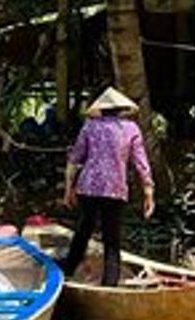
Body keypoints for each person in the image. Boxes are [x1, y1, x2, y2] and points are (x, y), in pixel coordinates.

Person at [61, 87, 154, 287]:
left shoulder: (90, 127)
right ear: (121, 109)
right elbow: (141, 163)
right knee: (112, 238)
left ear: (100, 110)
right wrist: (149, 192)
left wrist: (68, 189)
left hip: (88, 186)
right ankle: (109, 284)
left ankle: (67, 270)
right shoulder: (131, 129)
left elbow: (75, 159)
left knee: (84, 229)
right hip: (115, 188)